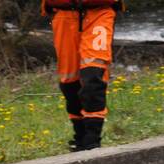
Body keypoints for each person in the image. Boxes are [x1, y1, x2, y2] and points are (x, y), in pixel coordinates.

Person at [43, 0, 124, 151]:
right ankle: (80, 136)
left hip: (99, 13)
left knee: (93, 76)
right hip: (64, 16)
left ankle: (92, 139)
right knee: (69, 82)